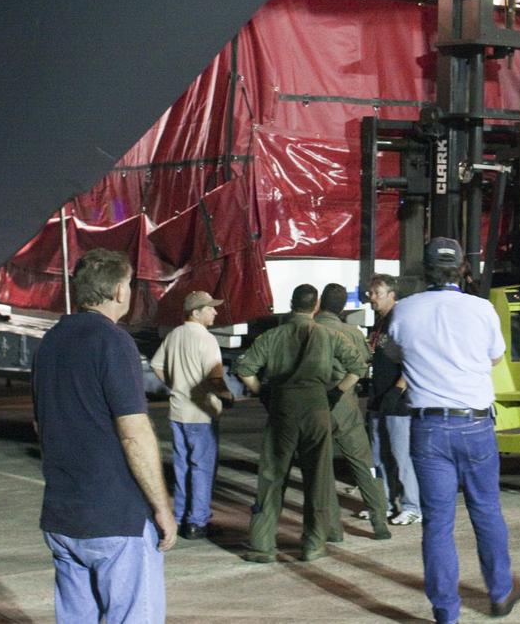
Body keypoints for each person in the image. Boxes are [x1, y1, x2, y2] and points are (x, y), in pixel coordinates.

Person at [32, 248, 176, 622]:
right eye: (128, 284)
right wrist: (162, 508)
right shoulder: (113, 342)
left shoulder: (50, 343)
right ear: (118, 292)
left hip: (63, 517)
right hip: (116, 518)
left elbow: (41, 425)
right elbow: (134, 433)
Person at [387, 237, 520, 624]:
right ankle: (499, 592)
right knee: (486, 510)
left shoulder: (403, 312)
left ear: (425, 270)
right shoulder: (481, 310)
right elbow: (495, 357)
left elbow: (395, 353)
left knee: (438, 522)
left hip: (428, 428)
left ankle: (446, 613)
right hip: (475, 422)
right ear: (463, 268)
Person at [233, 283, 365, 562]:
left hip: (283, 407)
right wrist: (335, 393)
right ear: (315, 306)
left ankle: (262, 544)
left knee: (272, 475)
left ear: (291, 303)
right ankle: (313, 543)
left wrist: (263, 393)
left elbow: (244, 369)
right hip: (317, 406)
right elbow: (358, 367)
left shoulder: (273, 336)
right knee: (317, 475)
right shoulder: (327, 335)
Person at [150, 290, 233, 540]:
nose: (215, 312)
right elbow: (215, 378)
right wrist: (227, 397)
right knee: (201, 469)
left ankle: (180, 516)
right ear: (196, 313)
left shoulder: (174, 334)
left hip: (178, 412)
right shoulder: (206, 339)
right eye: (210, 308)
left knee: (182, 467)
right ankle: (197, 522)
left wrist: (177, 384)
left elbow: (156, 365)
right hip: (201, 413)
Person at [316, 282, 392, 538]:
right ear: (343, 307)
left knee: (321, 468)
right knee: (363, 463)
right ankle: (379, 520)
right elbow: (364, 363)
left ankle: (333, 529)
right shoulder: (352, 332)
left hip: (315, 405)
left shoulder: (308, 329)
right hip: (345, 405)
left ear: (320, 304)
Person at [365, 274, 421, 525]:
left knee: (402, 455)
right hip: (378, 398)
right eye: (371, 293)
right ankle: (384, 503)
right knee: (378, 455)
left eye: (377, 293)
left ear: (392, 295)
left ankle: (412, 506)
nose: (371, 298)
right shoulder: (380, 323)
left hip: (397, 402)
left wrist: (398, 390)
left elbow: (414, 359)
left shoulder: (401, 320)